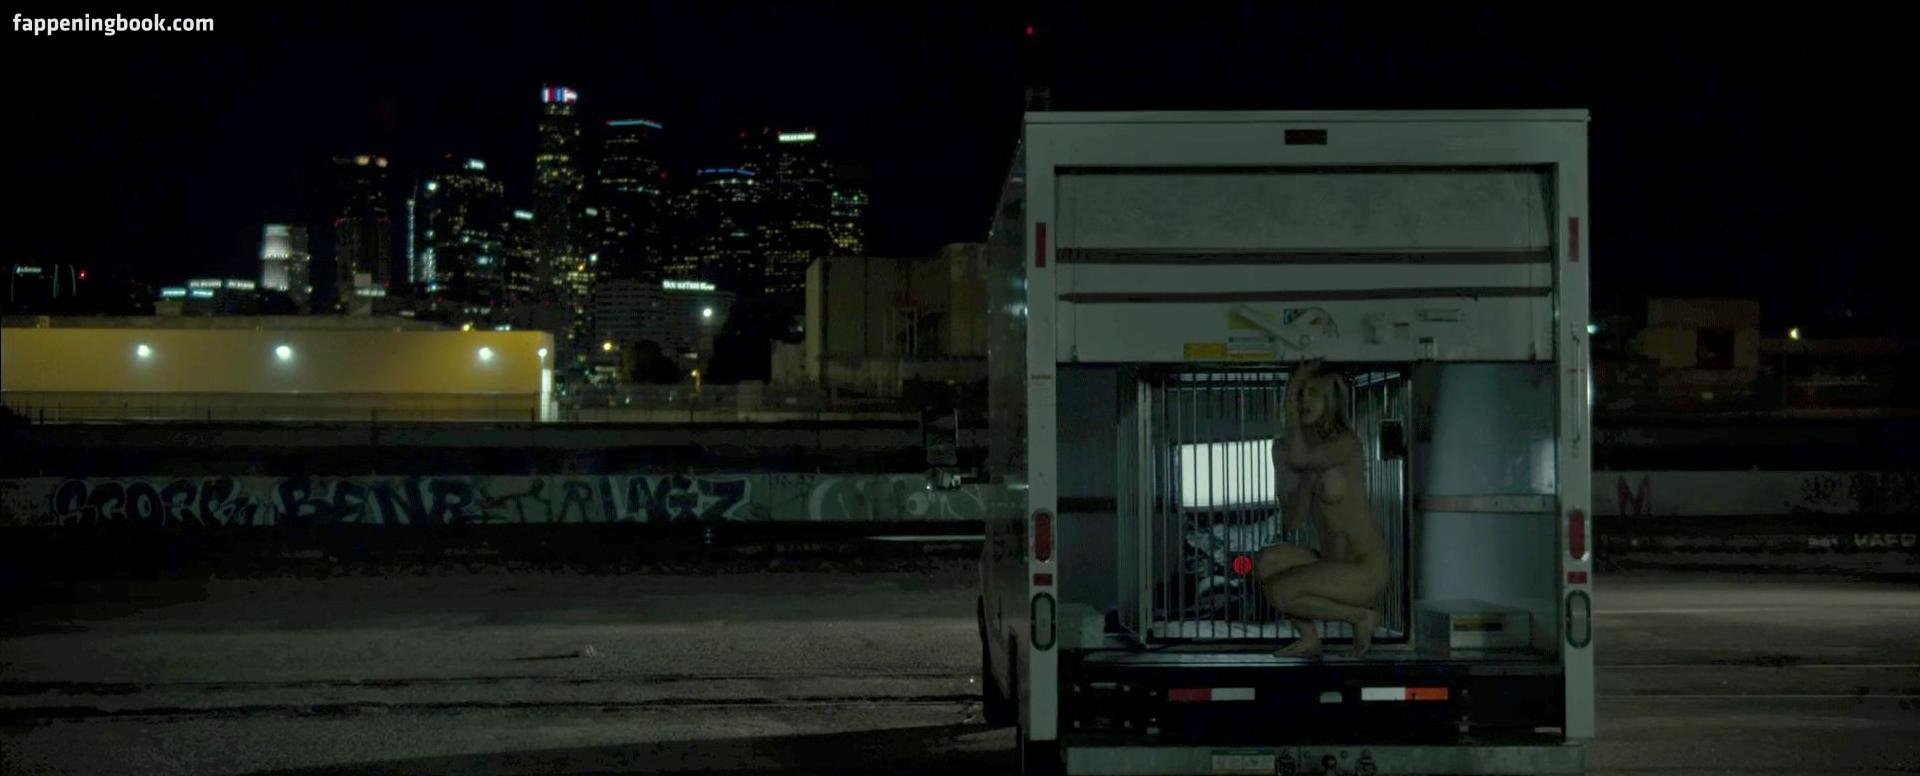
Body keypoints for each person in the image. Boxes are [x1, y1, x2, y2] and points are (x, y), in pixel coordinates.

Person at [1252, 360, 1388, 657]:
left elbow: (1301, 459)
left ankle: (1359, 617)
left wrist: (1290, 390)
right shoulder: (1284, 450)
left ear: (1330, 400)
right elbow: (1292, 521)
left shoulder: (1345, 443)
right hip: (1329, 561)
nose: (1303, 400)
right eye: (1299, 394)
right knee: (1265, 561)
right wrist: (1306, 483)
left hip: (1363, 568)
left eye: (1312, 392)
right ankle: (1309, 638)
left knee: (1280, 592)